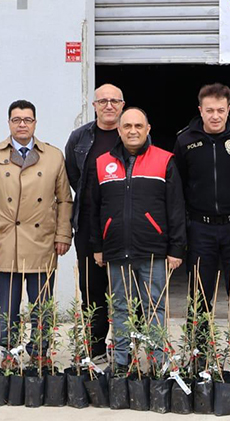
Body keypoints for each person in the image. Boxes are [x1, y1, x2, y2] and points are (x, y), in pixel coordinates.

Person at [89, 108, 185, 371]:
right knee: (120, 307)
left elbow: (176, 208)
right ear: (119, 130)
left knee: (154, 307)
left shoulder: (165, 160)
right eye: (128, 126)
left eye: (138, 126)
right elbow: (93, 208)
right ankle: (121, 363)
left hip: (153, 250)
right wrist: (97, 246)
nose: (133, 131)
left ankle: (157, 362)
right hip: (116, 249)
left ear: (148, 129)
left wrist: (176, 248)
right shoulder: (102, 163)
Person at [173, 83, 230, 344]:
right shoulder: (185, 140)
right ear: (200, 110)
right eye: (209, 110)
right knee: (199, 294)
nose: (215, 116)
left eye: (221, 110)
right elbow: (178, 186)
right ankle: (199, 352)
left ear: (229, 109)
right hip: (201, 228)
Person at [0, 100, 72, 357]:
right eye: (17, 119)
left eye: (27, 120)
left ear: (35, 123)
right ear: (9, 123)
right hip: (5, 242)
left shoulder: (53, 156)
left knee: (41, 307)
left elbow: (64, 200)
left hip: (42, 242)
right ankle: (6, 354)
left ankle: (40, 354)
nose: (22, 124)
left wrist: (63, 235)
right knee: (5, 309)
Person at [64, 83, 124, 361]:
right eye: (103, 101)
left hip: (125, 226)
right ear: (94, 106)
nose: (109, 106)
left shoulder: (132, 133)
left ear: (122, 105)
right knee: (92, 291)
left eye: (114, 101)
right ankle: (96, 351)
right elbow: (74, 177)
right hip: (88, 227)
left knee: (126, 291)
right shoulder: (80, 138)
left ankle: (125, 352)